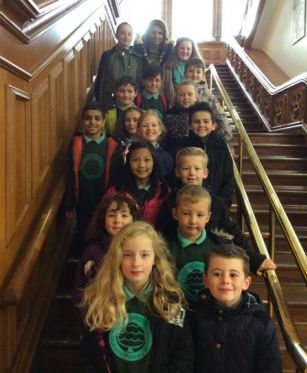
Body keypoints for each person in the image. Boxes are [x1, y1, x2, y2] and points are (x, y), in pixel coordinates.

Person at [80, 221, 194, 373]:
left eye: (144, 255)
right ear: (117, 259)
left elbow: (183, 356)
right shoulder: (99, 300)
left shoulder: (171, 304)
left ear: (155, 259)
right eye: (127, 255)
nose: (136, 263)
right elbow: (88, 357)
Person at [157, 147, 276, 276]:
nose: (192, 173)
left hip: (211, 263)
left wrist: (253, 259)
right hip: (177, 264)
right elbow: (161, 234)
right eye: (186, 168)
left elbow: (232, 231)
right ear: (177, 172)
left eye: (197, 169)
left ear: (205, 172)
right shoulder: (169, 203)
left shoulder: (217, 203)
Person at [190, 244, 282, 373]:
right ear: (205, 279)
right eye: (217, 274)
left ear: (246, 283)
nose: (225, 280)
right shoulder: (192, 315)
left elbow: (270, 367)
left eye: (233, 275)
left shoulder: (261, 322)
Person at [63, 102, 117, 249]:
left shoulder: (112, 144)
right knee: (85, 234)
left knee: (104, 234)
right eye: (88, 118)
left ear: (104, 121)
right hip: (83, 200)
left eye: (97, 118)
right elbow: (69, 174)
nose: (92, 122)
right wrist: (69, 201)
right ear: (82, 121)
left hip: (104, 200)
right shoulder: (76, 144)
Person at [73, 193, 142, 305]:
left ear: (134, 220)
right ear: (103, 221)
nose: (117, 220)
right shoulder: (92, 253)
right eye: (111, 215)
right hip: (100, 315)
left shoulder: (142, 251)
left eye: (124, 215)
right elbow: (80, 291)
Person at [103, 141, 170, 226]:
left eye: (147, 160)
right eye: (135, 160)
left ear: (154, 162)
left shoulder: (164, 192)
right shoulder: (115, 191)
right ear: (128, 162)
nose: (141, 165)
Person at [182, 101, 234, 207]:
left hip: (217, 202)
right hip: (189, 202)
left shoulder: (221, 146)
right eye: (196, 121)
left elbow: (228, 177)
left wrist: (222, 203)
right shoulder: (184, 146)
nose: (201, 125)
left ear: (213, 125)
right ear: (190, 126)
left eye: (206, 121)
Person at [94, 22, 142, 111]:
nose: (126, 37)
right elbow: (101, 81)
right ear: (116, 35)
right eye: (123, 33)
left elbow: (139, 82)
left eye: (129, 34)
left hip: (131, 104)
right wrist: (100, 102)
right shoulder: (107, 55)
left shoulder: (138, 58)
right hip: (110, 103)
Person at [184, 57, 232, 141]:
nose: (194, 74)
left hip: (207, 137)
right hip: (186, 137)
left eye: (198, 72)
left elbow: (221, 116)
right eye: (191, 71)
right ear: (185, 73)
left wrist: (222, 136)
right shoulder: (180, 92)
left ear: (203, 75)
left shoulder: (209, 96)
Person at [108, 106, 144, 187]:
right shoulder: (116, 143)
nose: (131, 123)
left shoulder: (146, 143)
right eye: (127, 120)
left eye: (135, 120)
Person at [164, 80, 198, 157]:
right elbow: (165, 138)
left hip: (197, 153)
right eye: (182, 95)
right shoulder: (169, 115)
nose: (186, 97)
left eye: (190, 94)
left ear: (196, 97)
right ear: (176, 98)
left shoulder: (201, 114)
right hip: (175, 154)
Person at [163, 37, 202, 103]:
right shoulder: (168, 67)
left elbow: (203, 85)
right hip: (175, 102)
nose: (185, 51)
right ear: (176, 49)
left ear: (192, 51)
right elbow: (164, 88)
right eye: (182, 48)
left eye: (188, 49)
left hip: (194, 101)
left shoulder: (199, 66)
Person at [137, 110, 173, 181]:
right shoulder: (131, 153)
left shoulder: (166, 157)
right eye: (144, 126)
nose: (150, 128)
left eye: (154, 125)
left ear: (160, 130)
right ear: (138, 131)